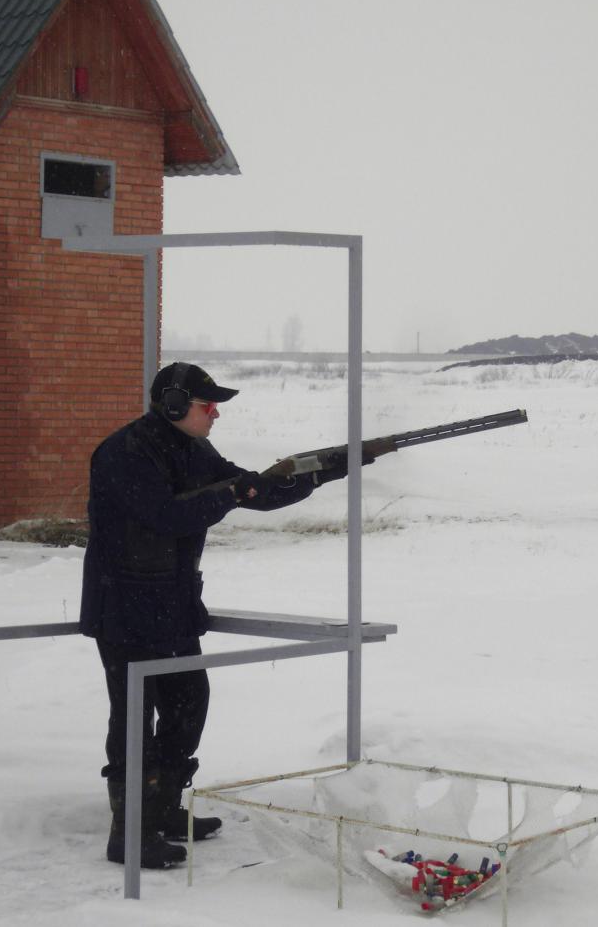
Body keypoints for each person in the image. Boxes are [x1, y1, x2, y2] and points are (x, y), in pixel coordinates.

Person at [79, 362, 358, 868]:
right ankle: (130, 833)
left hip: (173, 605)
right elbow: (165, 515)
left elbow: (254, 490)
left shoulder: (194, 449)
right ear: (173, 405)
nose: (215, 415)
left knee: (189, 701)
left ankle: (163, 809)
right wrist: (229, 494)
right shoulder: (125, 453)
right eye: (207, 406)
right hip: (123, 606)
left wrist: (320, 471)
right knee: (134, 715)